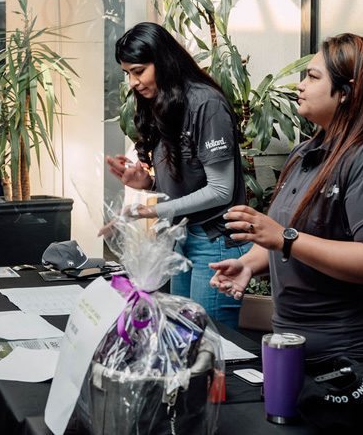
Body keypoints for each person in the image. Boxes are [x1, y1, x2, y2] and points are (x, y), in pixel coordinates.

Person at [209, 33, 363, 367]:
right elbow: (287, 234)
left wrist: (286, 239)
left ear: (347, 92)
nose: (300, 85)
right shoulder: (306, 152)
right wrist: (249, 265)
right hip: (301, 353)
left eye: (313, 77)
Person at [100, 22, 251, 329]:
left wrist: (154, 210)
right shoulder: (165, 101)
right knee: (181, 335)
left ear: (164, 61)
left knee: (208, 339)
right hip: (182, 235)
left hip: (214, 239)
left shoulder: (206, 103)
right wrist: (148, 183)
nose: (133, 82)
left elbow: (221, 190)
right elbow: (190, 180)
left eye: (139, 71)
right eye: (128, 73)